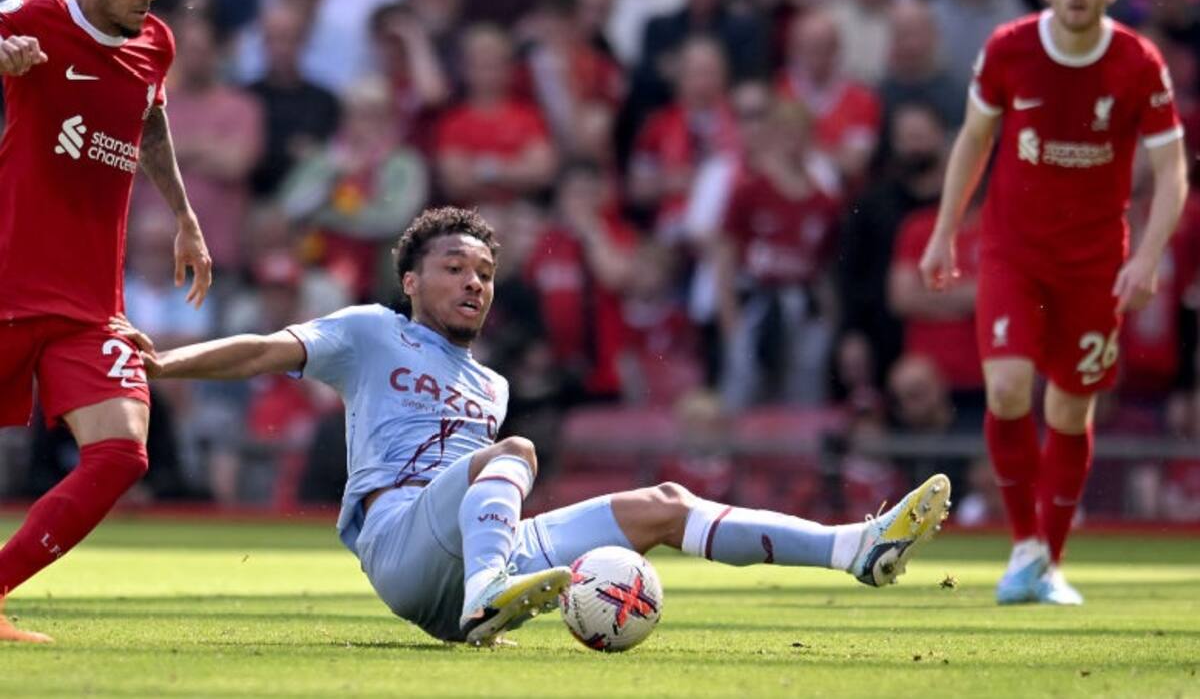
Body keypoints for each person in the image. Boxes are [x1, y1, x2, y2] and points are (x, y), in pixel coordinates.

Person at [115, 207, 951, 648]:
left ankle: (855, 547)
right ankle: (489, 596)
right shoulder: (369, 330)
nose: (475, 282)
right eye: (454, 268)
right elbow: (264, 349)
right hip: (400, 541)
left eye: (485, 271)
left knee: (661, 502)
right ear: (411, 280)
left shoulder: (492, 381)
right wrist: (168, 363)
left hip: (477, 559)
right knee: (509, 455)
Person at [919, 0, 1188, 606]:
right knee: (1008, 391)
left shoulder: (1137, 62)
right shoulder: (1009, 48)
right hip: (1014, 251)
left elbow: (1172, 171)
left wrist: (1149, 258)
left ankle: (1052, 559)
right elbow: (973, 139)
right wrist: (947, 231)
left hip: (1097, 261)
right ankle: (1024, 547)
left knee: (1070, 410)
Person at [0, 0, 213, 642]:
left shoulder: (155, 41)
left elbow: (148, 122)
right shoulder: (29, 16)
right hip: (8, 286)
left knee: (121, 455)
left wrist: (185, 217)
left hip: (91, 304)